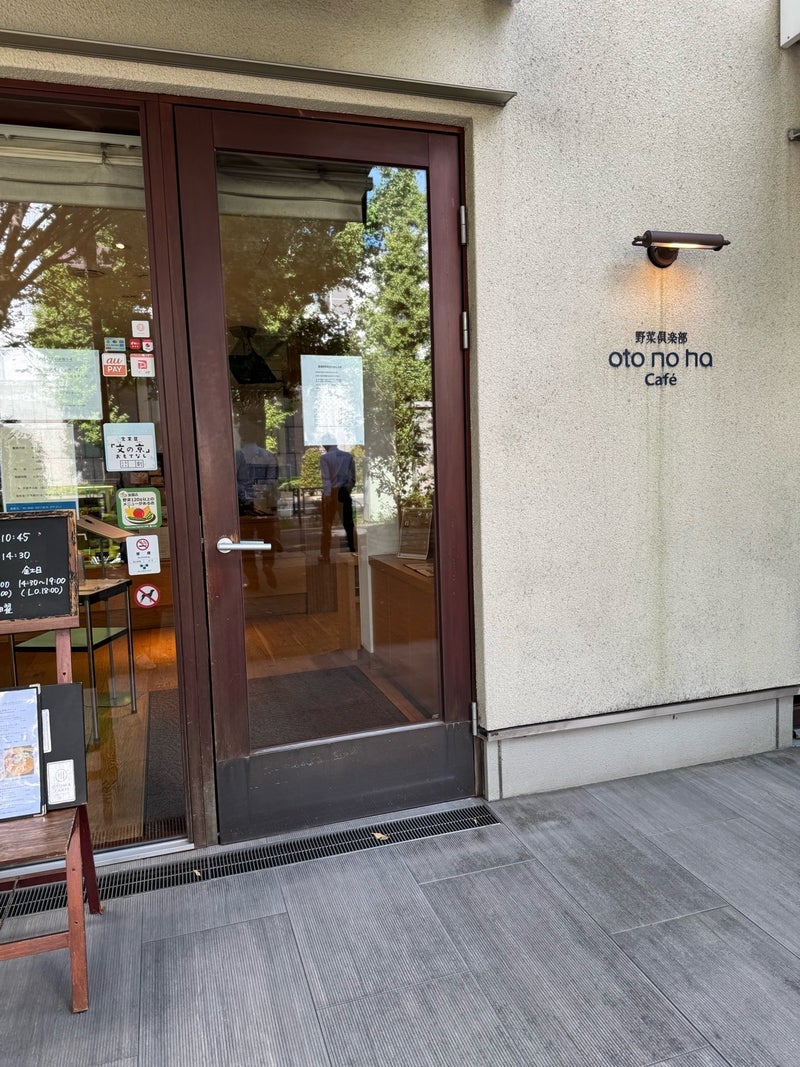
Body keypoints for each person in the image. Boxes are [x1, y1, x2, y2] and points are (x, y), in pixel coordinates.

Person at [319, 437, 356, 562]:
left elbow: (326, 479)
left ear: (325, 445)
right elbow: (352, 478)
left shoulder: (325, 458)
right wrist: (347, 490)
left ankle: (325, 555)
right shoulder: (348, 456)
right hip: (344, 491)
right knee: (348, 524)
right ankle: (353, 551)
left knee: (327, 525)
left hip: (332, 492)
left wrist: (328, 495)